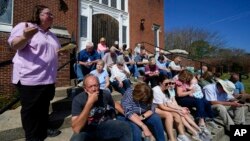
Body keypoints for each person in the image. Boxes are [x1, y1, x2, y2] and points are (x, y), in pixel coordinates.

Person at [8, 5, 61, 140]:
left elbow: (51, 53)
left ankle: (42, 134)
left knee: (43, 111)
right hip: (30, 79)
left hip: (48, 80)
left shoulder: (51, 35)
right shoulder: (25, 26)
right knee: (31, 113)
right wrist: (25, 37)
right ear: (38, 15)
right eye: (48, 14)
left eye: (52, 15)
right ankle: (32, 138)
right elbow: (14, 45)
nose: (51, 16)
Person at [70, 74, 132, 141]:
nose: (94, 89)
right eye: (90, 86)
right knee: (76, 139)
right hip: (86, 130)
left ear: (99, 85)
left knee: (125, 127)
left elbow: (114, 104)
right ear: (85, 89)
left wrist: (129, 115)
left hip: (103, 126)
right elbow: (76, 129)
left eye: (96, 85)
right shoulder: (78, 99)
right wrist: (89, 103)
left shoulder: (105, 94)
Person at [152, 76, 193, 141]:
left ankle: (181, 135)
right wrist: (177, 110)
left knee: (177, 114)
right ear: (160, 83)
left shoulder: (165, 90)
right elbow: (161, 106)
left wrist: (180, 108)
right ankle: (171, 138)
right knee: (169, 115)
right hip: (153, 108)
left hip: (161, 107)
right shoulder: (156, 90)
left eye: (169, 83)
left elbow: (168, 104)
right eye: (166, 83)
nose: (168, 85)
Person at [175, 70, 213, 137]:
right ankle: (201, 122)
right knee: (199, 101)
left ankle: (207, 117)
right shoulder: (179, 82)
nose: (189, 78)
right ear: (185, 76)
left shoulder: (187, 81)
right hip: (182, 100)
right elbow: (179, 94)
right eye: (188, 77)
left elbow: (195, 79)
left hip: (188, 97)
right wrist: (191, 91)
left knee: (205, 101)